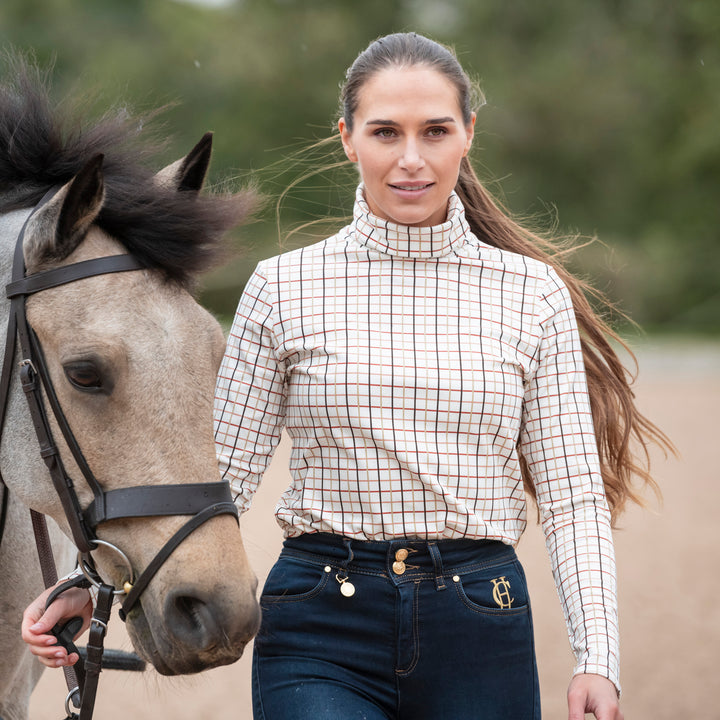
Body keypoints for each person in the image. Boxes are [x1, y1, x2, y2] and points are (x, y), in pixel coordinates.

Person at [23, 32, 669, 720]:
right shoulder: (281, 288)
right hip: (318, 623)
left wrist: (598, 661)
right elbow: (224, 475)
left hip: (481, 623)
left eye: (436, 131)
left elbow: (573, 501)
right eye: (385, 131)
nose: (411, 159)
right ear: (347, 138)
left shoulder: (532, 296)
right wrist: (91, 584)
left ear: (468, 135)